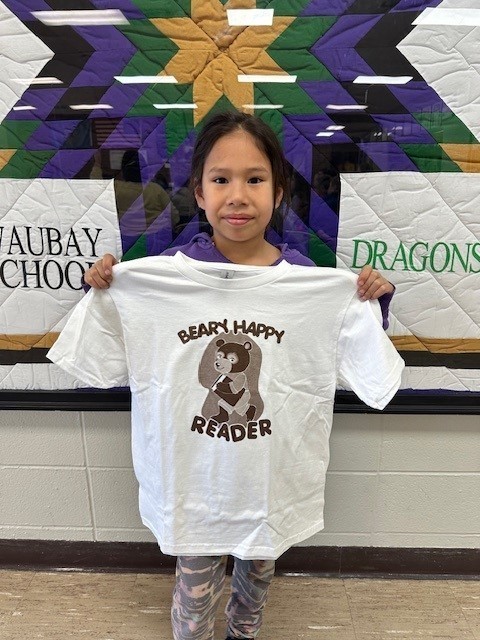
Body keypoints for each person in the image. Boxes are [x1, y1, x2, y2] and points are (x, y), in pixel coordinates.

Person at [53, 111, 401, 640]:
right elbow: (110, 348)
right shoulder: (157, 277)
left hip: (270, 483)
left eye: (255, 179)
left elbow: (358, 361)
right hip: (194, 484)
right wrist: (107, 288)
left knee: (256, 586)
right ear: (198, 193)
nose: (237, 195)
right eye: (221, 179)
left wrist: (372, 301)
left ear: (279, 192)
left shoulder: (313, 284)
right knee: (193, 600)